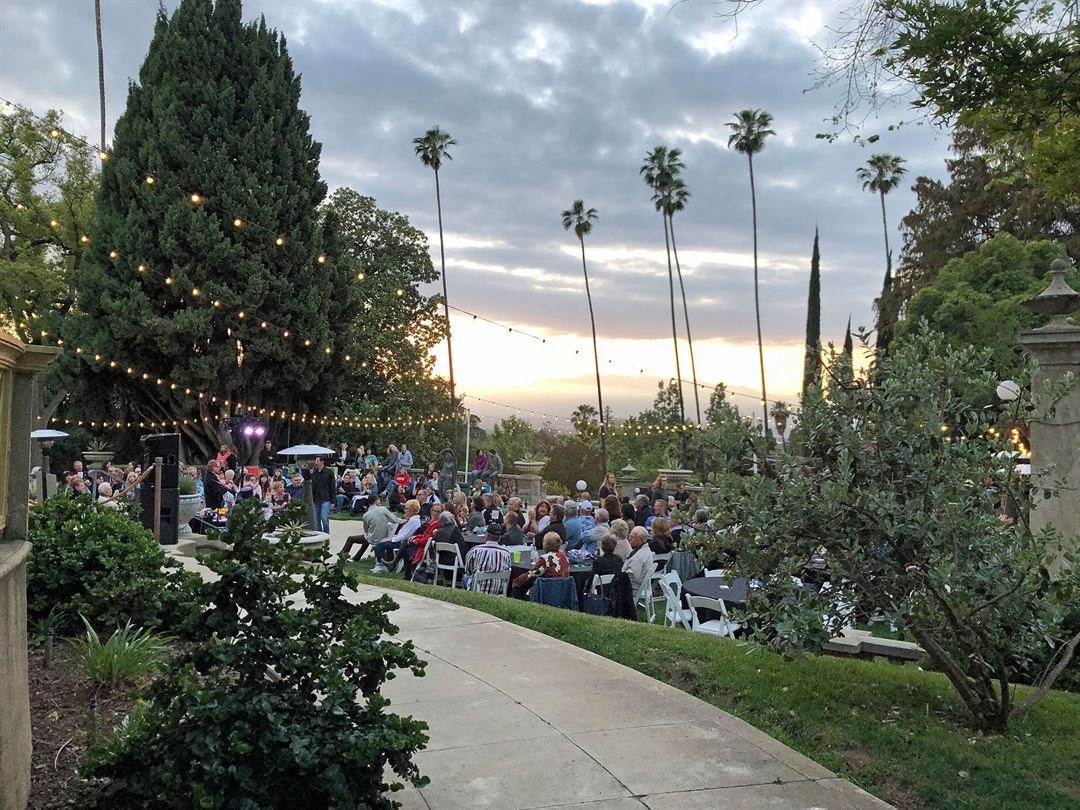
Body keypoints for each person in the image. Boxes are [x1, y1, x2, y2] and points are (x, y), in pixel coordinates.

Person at [341, 494, 401, 562]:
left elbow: (366, 529)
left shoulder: (366, 515)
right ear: (376, 501)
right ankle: (356, 558)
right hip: (383, 537)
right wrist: (405, 520)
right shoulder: (383, 509)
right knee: (367, 538)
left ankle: (342, 558)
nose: (380, 504)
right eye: (379, 502)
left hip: (374, 538)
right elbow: (395, 519)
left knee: (351, 538)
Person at [510, 532, 569, 599]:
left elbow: (532, 573)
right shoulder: (564, 557)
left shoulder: (546, 558)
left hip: (547, 591)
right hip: (562, 590)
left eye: (543, 541)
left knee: (519, 585)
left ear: (547, 544)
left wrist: (516, 581)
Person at [372, 499, 421, 574]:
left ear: (412, 510)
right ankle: (381, 564)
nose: (404, 510)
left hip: (402, 543)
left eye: (406, 508)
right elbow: (402, 533)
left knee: (380, 546)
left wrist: (391, 539)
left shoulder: (413, 521)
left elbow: (405, 535)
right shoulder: (412, 519)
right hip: (399, 540)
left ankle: (382, 566)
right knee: (381, 543)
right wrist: (391, 538)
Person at [623, 526, 655, 595]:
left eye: (632, 537)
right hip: (639, 586)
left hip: (632, 588)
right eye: (629, 536)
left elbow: (631, 576)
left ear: (641, 540)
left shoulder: (639, 556)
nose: (629, 538)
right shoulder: (645, 550)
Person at [309, 457, 336, 534]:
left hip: (326, 498)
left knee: (324, 518)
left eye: (317, 461)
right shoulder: (314, 472)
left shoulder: (329, 472)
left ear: (322, 461)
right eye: (315, 461)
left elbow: (332, 487)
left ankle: (326, 534)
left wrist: (333, 501)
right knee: (316, 520)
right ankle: (319, 536)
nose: (315, 463)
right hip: (315, 498)